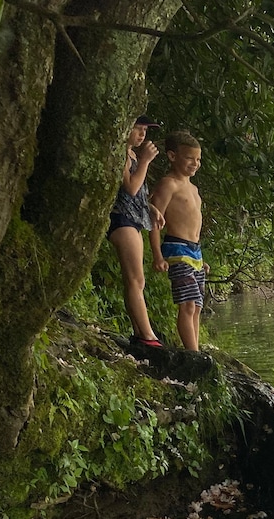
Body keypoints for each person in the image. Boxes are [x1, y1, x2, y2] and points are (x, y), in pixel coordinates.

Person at [108, 115, 164, 348]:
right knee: (135, 279)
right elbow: (129, 188)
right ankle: (148, 336)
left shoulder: (132, 154)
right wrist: (145, 162)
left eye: (145, 130)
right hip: (121, 219)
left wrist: (151, 208)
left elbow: (137, 191)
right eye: (138, 128)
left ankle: (141, 332)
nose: (142, 134)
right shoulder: (121, 153)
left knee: (137, 280)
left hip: (135, 218)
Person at [150, 130, 208, 351]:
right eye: (190, 158)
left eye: (198, 159)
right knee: (188, 304)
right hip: (177, 248)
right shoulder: (168, 184)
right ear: (173, 156)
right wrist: (157, 254)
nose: (195, 163)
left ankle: (196, 348)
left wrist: (201, 258)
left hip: (195, 252)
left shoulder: (193, 189)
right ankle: (192, 353)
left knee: (198, 305)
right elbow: (154, 220)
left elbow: (195, 225)